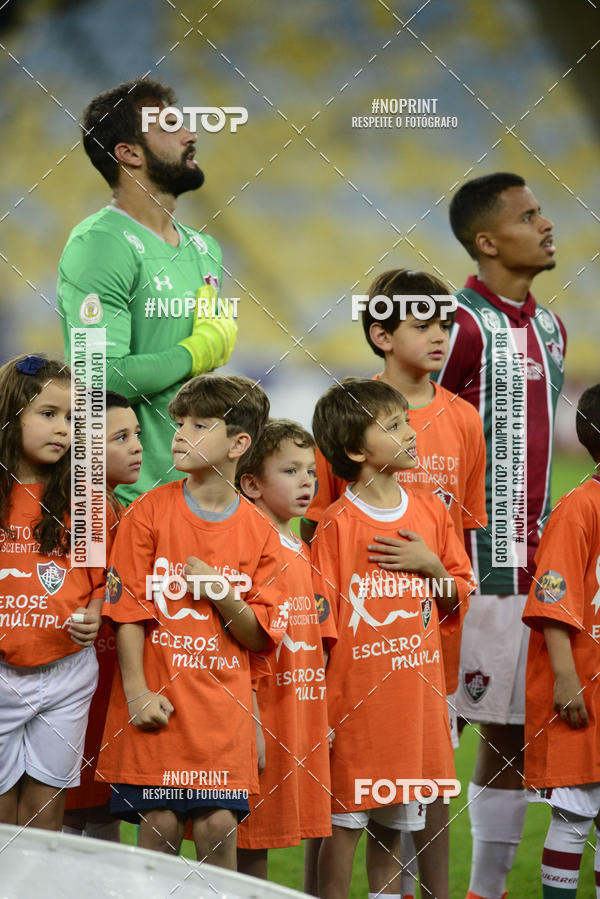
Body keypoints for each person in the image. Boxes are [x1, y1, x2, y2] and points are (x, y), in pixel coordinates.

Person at [301, 267, 487, 896]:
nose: (440, 335)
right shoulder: (349, 414)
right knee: (341, 808)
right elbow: (318, 539)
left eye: (447, 323)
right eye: (422, 323)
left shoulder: (464, 419)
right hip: (357, 666)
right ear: (381, 334)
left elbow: (462, 541)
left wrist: (438, 579)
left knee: (423, 790)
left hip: (428, 652)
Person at [433, 172, 566, 899]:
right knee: (430, 738)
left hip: (529, 571)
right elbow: (409, 431)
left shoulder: (551, 327)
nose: (547, 225)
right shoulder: (454, 325)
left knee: (508, 736)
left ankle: (484, 892)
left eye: (541, 212)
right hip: (461, 571)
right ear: (488, 241)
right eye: (529, 216)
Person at [95, 374, 290, 869]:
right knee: (158, 821)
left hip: (221, 715)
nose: (180, 434)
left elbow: (259, 636)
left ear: (238, 444)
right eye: (179, 422)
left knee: (218, 825)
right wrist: (137, 692)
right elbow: (128, 612)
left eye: (200, 425)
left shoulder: (260, 533)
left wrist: (224, 595)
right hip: (156, 704)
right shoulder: (148, 512)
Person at [57, 78, 237, 505]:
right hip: (126, 497)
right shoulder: (100, 244)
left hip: (200, 492)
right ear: (129, 153)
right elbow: (98, 378)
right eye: (170, 125)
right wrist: (197, 352)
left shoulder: (204, 248)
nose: (191, 134)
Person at [0, 354, 103, 831]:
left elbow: (102, 582)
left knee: (45, 819)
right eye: (48, 414)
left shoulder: (87, 499)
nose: (63, 429)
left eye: (71, 419)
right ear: (10, 415)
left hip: (67, 672)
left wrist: (95, 613)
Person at [235, 419, 334, 884]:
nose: (307, 481)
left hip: (299, 713)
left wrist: (324, 717)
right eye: (291, 470)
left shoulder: (301, 546)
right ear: (252, 484)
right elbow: (241, 644)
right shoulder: (248, 545)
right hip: (263, 717)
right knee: (247, 835)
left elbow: (317, 640)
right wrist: (250, 720)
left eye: (310, 470)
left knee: (271, 834)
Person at [522, 383, 600, 898]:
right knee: (575, 813)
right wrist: (566, 679)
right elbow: (553, 599)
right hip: (583, 687)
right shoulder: (579, 508)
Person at [63, 392, 142, 840]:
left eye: (136, 435)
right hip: (79, 678)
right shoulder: (79, 510)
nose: (137, 446)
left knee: (101, 813)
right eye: (120, 437)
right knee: (67, 811)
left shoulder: (123, 507)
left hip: (111, 675)